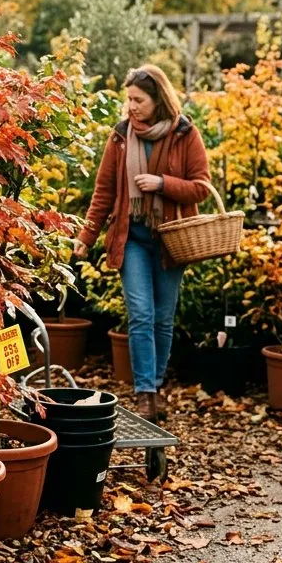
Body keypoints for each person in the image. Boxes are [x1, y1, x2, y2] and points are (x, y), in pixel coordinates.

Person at [73, 65, 210, 422]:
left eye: (139, 100)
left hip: (171, 240)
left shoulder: (184, 133)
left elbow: (201, 186)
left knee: (163, 319)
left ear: (157, 99)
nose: (131, 107)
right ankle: (146, 393)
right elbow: (104, 192)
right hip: (131, 238)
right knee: (141, 315)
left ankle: (157, 383)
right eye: (129, 99)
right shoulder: (120, 136)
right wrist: (87, 236)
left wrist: (163, 184)